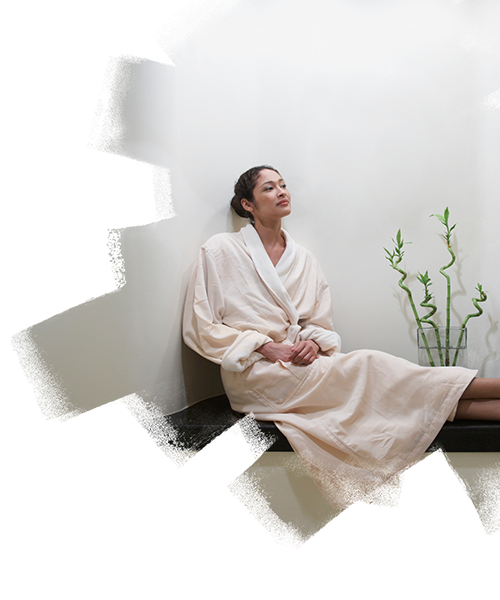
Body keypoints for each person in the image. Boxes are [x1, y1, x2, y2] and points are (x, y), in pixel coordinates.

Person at [182, 165, 500, 510]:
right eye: (269, 188)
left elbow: (319, 322)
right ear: (248, 204)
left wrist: (313, 343)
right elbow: (201, 324)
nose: (282, 192)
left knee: (393, 391)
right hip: (255, 376)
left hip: (301, 364)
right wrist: (262, 345)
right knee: (369, 364)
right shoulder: (220, 250)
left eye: (284, 185)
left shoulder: (302, 258)